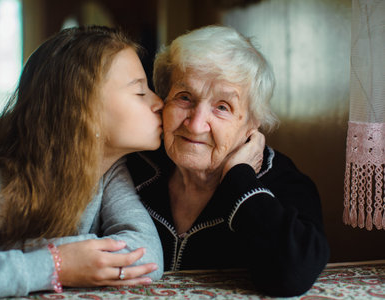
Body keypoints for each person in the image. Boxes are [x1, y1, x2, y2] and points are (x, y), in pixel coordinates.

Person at [0, 25, 164, 299]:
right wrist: (56, 264)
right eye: (140, 92)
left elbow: (148, 255)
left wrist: (60, 256)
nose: (159, 102)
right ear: (85, 112)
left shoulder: (111, 171)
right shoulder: (14, 181)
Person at [127, 25, 330, 297]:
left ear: (252, 124)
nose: (196, 124)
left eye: (222, 107)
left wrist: (239, 180)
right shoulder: (135, 167)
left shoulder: (283, 183)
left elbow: (291, 277)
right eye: (185, 97)